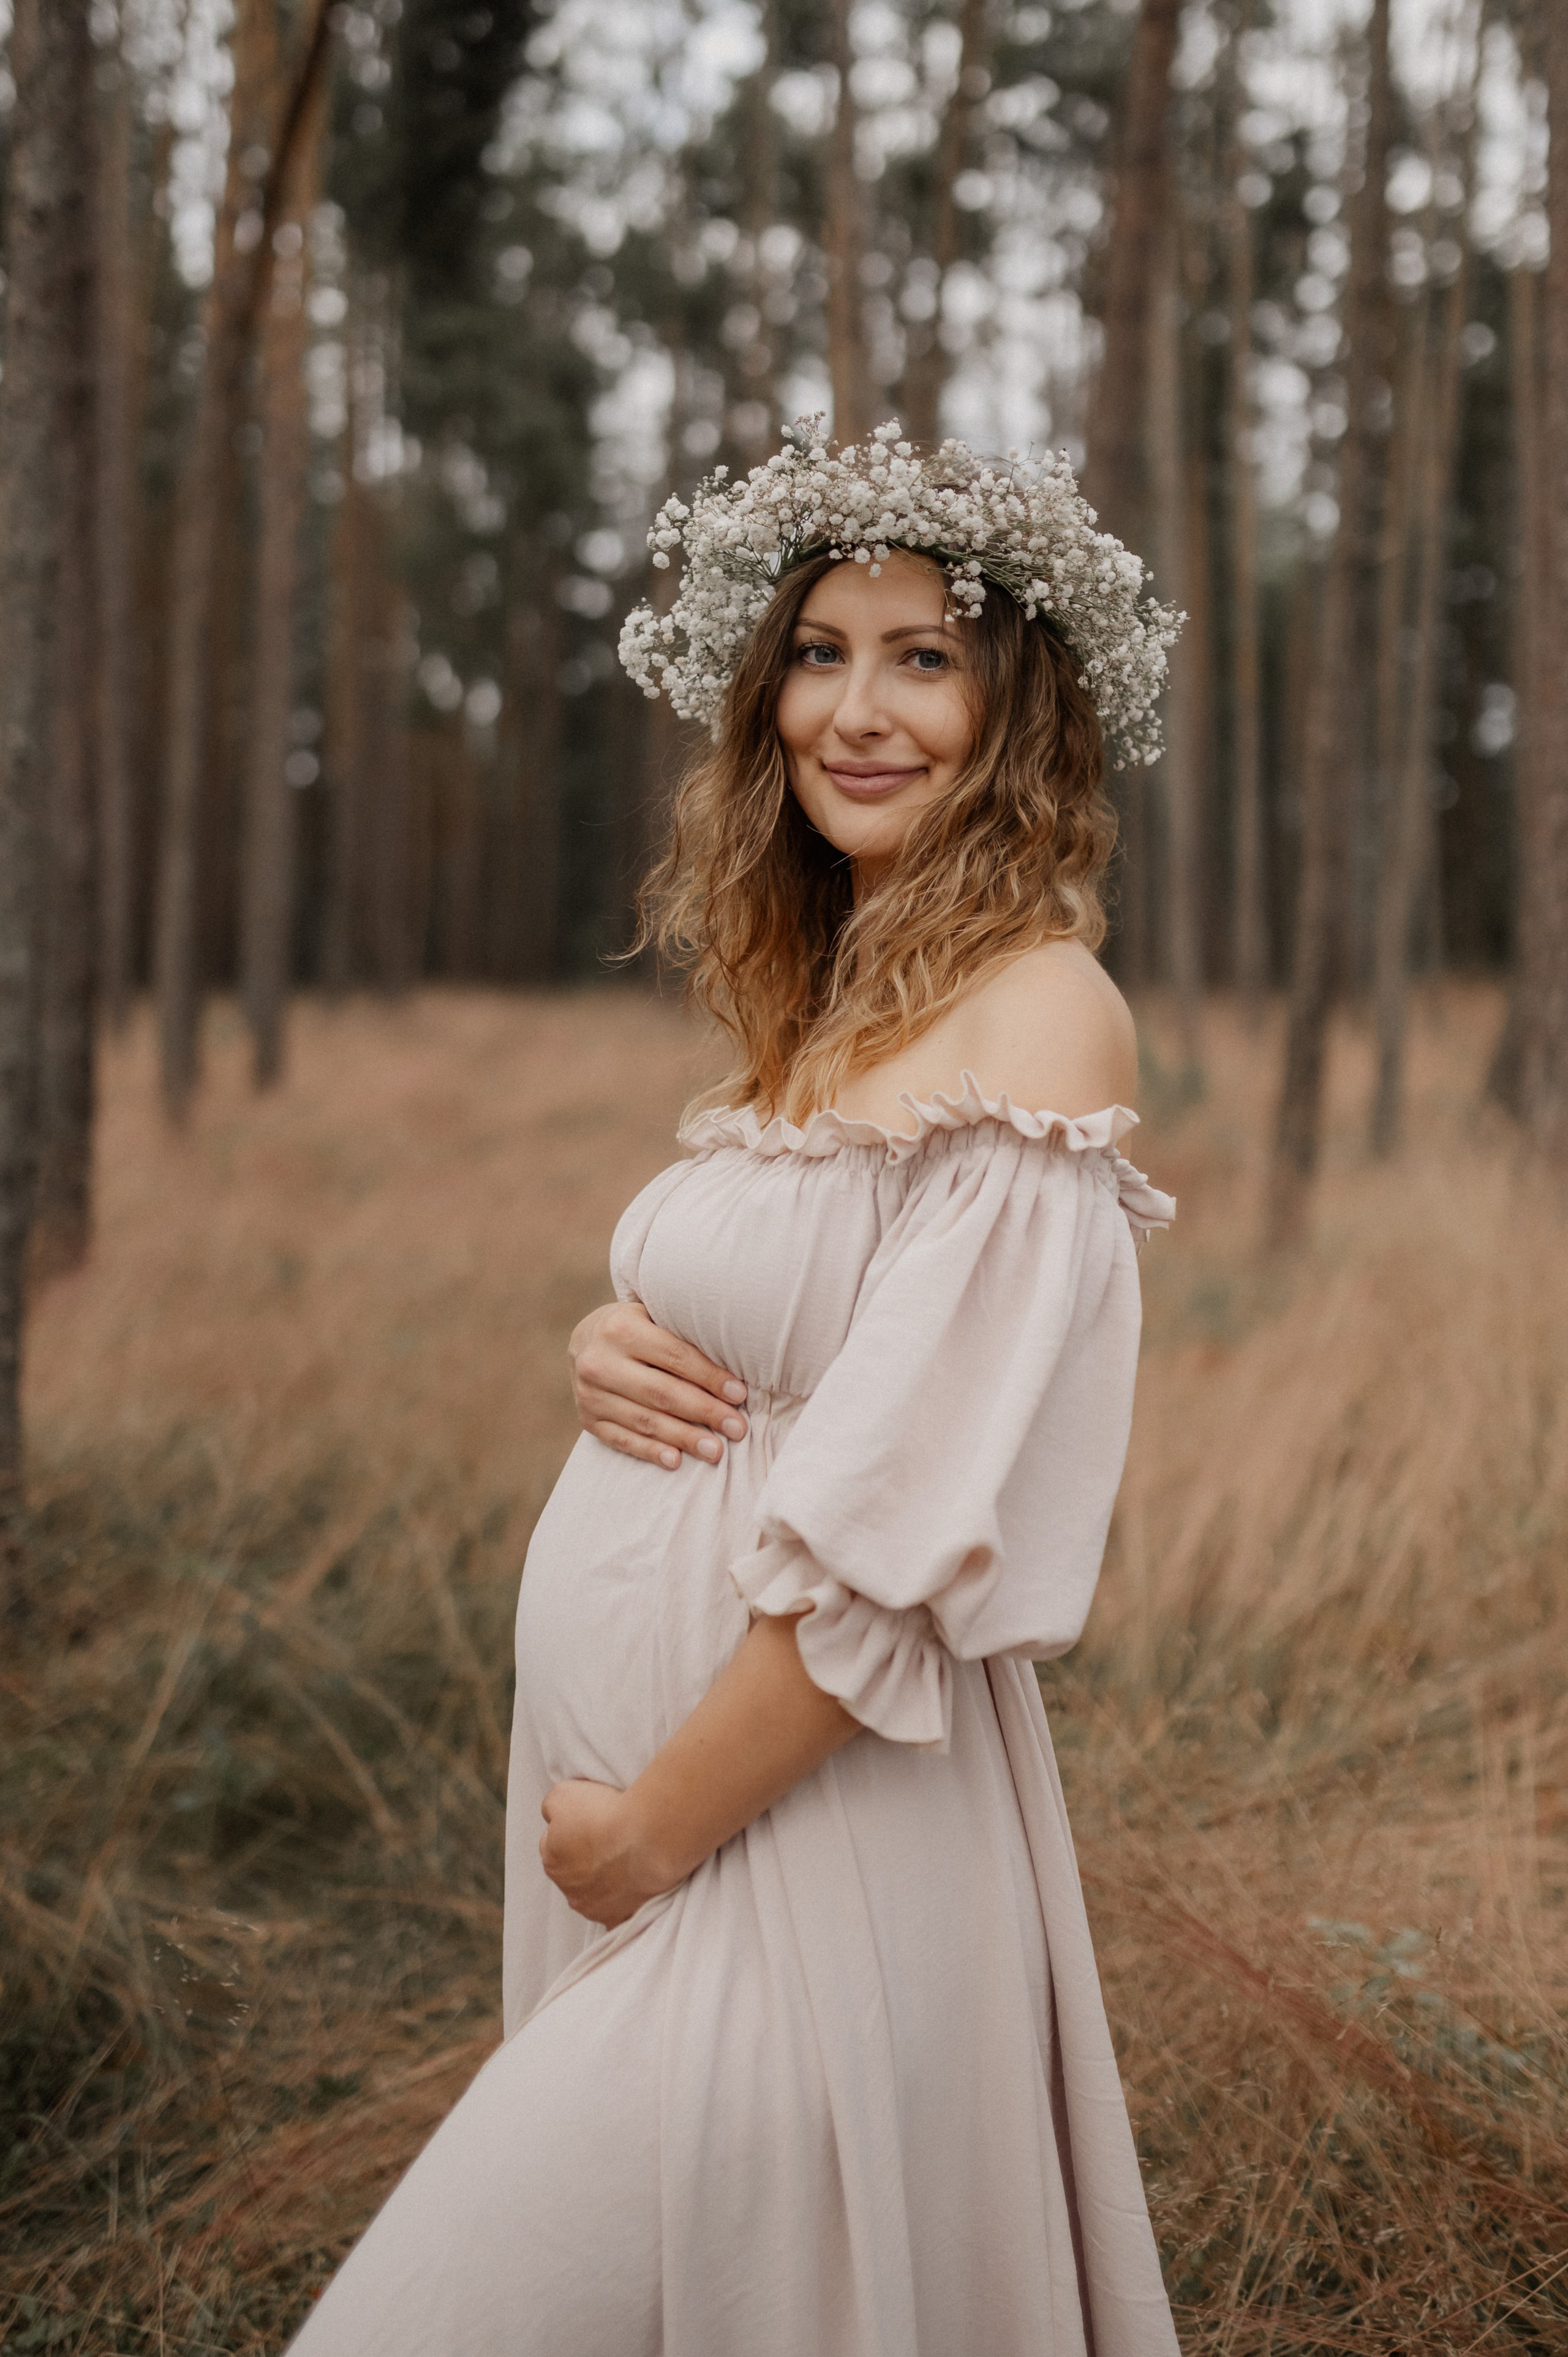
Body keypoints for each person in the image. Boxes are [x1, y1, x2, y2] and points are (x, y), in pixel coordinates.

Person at [287, 425, 1182, 2357]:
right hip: (691, 1829)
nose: (858, 710)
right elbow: (777, 1334)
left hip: (799, 1847)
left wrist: (654, 1830)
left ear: (1016, 706)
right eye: (822, 651)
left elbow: (899, 1531)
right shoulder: (836, 998)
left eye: (925, 657)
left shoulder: (1039, 1010)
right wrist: (602, 1342)